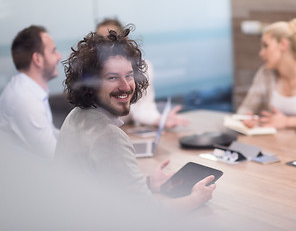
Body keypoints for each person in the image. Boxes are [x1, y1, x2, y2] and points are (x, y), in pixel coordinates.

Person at [56, 27, 215, 212]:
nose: (125, 87)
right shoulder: (108, 136)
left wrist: (148, 183)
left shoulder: (75, 116)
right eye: (112, 77)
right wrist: (195, 199)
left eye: (129, 75)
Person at [96, 18, 188, 128]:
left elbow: (141, 107)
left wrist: (159, 120)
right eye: (101, 40)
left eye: (112, 38)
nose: (106, 45)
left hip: (123, 128)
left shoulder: (141, 66)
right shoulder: (92, 72)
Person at [0, 25, 62, 158]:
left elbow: (52, 133)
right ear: (37, 59)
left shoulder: (29, 91)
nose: (59, 56)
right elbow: (56, 157)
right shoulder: (25, 99)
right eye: (53, 52)